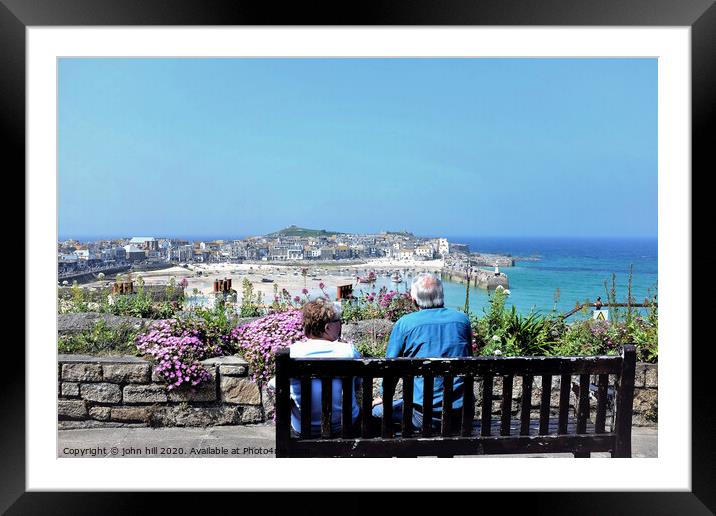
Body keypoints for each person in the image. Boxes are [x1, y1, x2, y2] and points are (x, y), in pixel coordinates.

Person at [372, 273, 473, 432]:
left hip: (422, 417)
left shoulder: (405, 324)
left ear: (413, 300)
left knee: (376, 411)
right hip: (461, 416)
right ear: (442, 295)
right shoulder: (462, 320)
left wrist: (385, 397)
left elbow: (390, 368)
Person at [284, 298, 362, 436]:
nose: (341, 324)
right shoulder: (349, 352)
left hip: (303, 429)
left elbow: (275, 386)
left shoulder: (292, 352)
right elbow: (357, 384)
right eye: (338, 321)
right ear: (327, 327)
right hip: (344, 427)